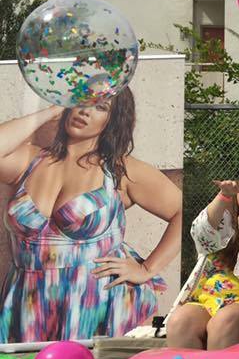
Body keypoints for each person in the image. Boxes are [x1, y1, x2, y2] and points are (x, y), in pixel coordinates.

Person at [0, 93, 182, 342]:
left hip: (97, 302)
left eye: (100, 107)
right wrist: (49, 112)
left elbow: (181, 211)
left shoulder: (120, 170)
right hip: (29, 301)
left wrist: (147, 268)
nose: (85, 111)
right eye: (81, 101)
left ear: (114, 119)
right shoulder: (30, 161)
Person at [165, 174, 239, 349]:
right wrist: (223, 195)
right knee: (179, 321)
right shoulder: (222, 227)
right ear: (236, 196)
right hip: (206, 300)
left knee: (224, 321)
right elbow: (201, 235)